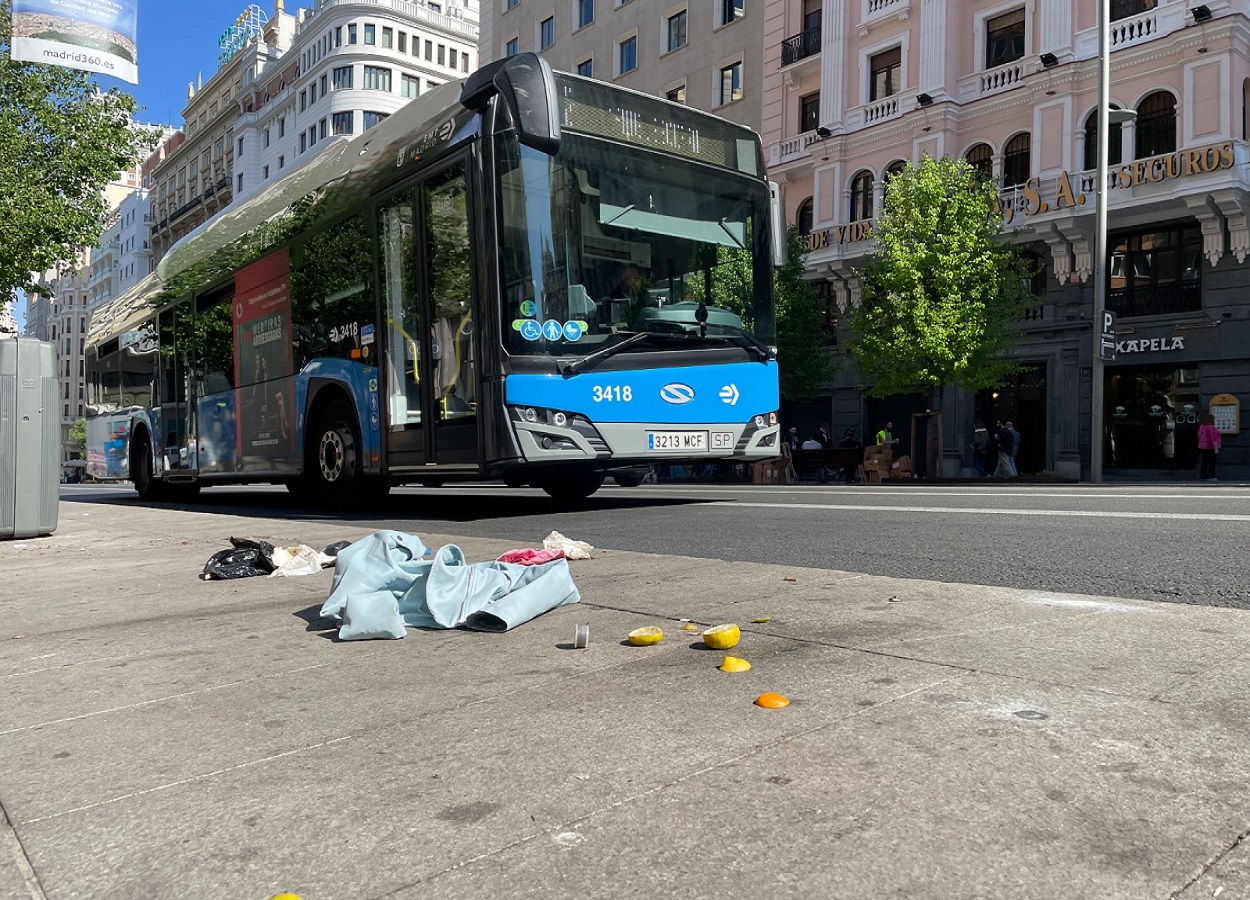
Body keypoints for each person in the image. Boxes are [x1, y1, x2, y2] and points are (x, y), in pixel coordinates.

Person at [1198, 413, 1222, 482]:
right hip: (1210, 447)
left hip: (1202, 446)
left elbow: (1199, 436)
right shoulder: (1212, 427)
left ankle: (1203, 476)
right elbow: (1213, 438)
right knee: (1212, 462)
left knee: (1204, 461)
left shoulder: (1202, 426)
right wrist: (1216, 448)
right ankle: (1211, 476)